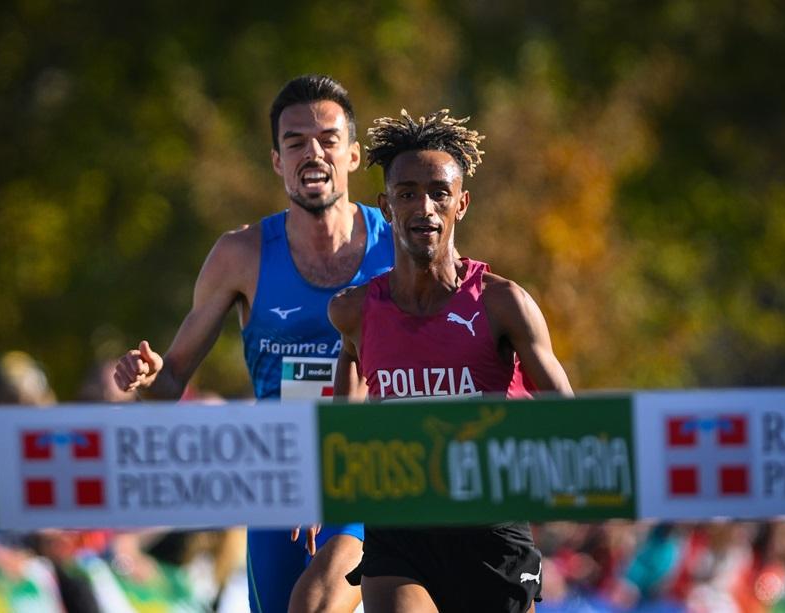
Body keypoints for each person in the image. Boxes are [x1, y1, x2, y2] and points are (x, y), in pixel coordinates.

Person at [113, 74, 394, 613]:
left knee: (314, 603)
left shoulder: (397, 246)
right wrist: (148, 378)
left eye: (328, 139)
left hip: (369, 464)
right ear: (276, 162)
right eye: (295, 143)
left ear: (354, 155)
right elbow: (170, 382)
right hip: (278, 472)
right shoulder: (240, 255)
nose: (313, 153)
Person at [329, 109, 574, 612]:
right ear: (386, 205)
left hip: (488, 527)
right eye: (407, 193)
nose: (424, 207)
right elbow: (342, 417)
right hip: (400, 527)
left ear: (461, 204)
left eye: (439, 193)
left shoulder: (503, 303)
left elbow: (568, 415)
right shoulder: (353, 311)